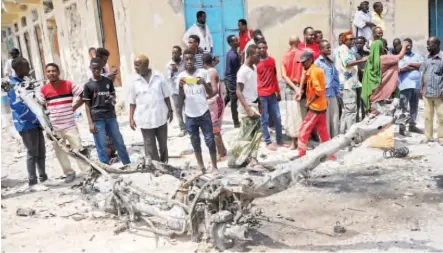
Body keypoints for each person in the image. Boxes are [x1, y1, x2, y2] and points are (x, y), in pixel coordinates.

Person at [38, 63, 89, 183]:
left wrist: (75, 107)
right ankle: (69, 173)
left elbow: (84, 95)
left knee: (78, 149)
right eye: (49, 71)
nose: (51, 73)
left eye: (54, 71)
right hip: (55, 128)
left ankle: (87, 172)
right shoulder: (44, 89)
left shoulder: (68, 85)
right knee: (60, 152)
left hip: (70, 125)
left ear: (58, 72)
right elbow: (41, 106)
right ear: (46, 73)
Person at [83, 57, 131, 166]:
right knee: (101, 145)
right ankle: (105, 167)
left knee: (119, 141)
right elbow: (87, 106)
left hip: (110, 117)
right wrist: (90, 123)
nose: (96, 70)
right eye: (94, 68)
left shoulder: (108, 81)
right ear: (90, 68)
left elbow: (114, 98)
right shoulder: (88, 86)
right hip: (97, 118)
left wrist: (112, 100)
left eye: (99, 68)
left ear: (102, 68)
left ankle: (127, 164)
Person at [8, 57, 47, 188]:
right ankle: (33, 181)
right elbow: (18, 107)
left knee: (41, 151)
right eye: (26, 66)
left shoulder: (26, 81)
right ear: (18, 69)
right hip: (26, 123)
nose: (28, 69)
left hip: (37, 121)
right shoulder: (11, 85)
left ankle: (43, 177)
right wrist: (36, 119)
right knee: (32, 152)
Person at [177, 49, 217, 172]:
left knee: (210, 140)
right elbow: (181, 97)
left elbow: (211, 93)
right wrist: (180, 87)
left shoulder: (203, 73)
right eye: (186, 59)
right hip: (189, 114)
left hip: (204, 112)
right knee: (195, 141)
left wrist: (204, 83)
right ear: (183, 61)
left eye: (191, 59)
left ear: (195, 60)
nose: (189, 61)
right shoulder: (181, 76)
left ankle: (214, 166)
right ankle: (201, 165)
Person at [129, 55, 173, 163]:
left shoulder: (159, 77)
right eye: (134, 66)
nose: (135, 68)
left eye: (138, 66)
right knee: (149, 144)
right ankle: (155, 166)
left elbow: (166, 95)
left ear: (146, 65)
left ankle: (164, 164)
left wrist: (170, 110)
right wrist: (131, 118)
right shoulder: (134, 81)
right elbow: (132, 102)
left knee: (163, 143)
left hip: (160, 116)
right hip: (145, 119)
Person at [229, 44, 264, 171]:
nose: (260, 57)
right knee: (250, 135)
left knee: (255, 134)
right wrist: (248, 109)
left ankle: (245, 158)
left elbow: (254, 87)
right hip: (247, 106)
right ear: (250, 55)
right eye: (257, 55)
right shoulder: (242, 71)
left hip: (253, 103)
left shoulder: (253, 68)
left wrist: (259, 101)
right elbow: (238, 91)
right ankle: (251, 160)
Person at [296, 51, 334, 159]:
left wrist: (309, 102)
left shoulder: (313, 72)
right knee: (323, 132)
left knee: (303, 130)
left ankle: (301, 154)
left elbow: (318, 91)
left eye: (304, 62)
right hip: (322, 106)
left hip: (316, 108)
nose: (302, 65)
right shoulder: (315, 70)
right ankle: (331, 155)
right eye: (301, 63)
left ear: (310, 60)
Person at [361, 40, 409, 114]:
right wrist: (404, 46)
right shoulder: (383, 58)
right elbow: (400, 56)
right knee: (381, 115)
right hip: (380, 90)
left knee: (373, 113)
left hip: (371, 90)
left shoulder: (369, 60)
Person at [335, 31, 367, 134]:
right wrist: (363, 60)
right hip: (347, 85)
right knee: (351, 112)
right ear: (344, 40)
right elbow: (348, 63)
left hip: (349, 84)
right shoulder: (343, 50)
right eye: (350, 39)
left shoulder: (348, 50)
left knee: (347, 112)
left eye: (353, 39)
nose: (353, 41)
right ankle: (350, 135)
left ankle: (344, 134)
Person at [256, 40, 284, 150]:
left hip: (272, 94)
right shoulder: (256, 63)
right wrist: (257, 97)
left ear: (267, 47)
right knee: (264, 119)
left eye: (264, 47)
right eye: (260, 48)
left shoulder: (272, 61)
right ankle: (267, 141)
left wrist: (278, 92)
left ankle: (279, 139)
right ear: (257, 49)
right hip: (262, 95)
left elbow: (274, 77)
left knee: (277, 117)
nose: (262, 49)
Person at [281, 36, 306, 149]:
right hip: (300, 87)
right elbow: (304, 72)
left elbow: (284, 75)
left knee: (291, 114)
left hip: (289, 88)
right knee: (301, 114)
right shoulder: (303, 54)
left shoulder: (284, 56)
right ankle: (302, 141)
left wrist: (294, 88)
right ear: (298, 42)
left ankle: (293, 142)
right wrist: (299, 88)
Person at [203, 54, 227, 160]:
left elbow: (215, 90)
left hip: (216, 104)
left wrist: (204, 98)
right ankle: (223, 150)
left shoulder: (211, 73)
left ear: (203, 63)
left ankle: (221, 154)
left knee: (215, 130)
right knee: (214, 130)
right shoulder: (211, 71)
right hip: (212, 104)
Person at [420, 37, 443, 145]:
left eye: (430, 44)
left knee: (441, 117)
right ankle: (428, 137)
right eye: (427, 44)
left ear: (437, 45)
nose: (427, 46)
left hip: (440, 93)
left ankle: (441, 137)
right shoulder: (426, 58)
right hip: (427, 93)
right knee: (427, 117)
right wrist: (421, 88)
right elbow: (423, 74)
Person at [398, 38, 424, 135]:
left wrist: (411, 65)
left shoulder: (417, 55)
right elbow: (400, 69)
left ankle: (412, 126)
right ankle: (402, 127)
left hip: (416, 85)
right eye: (406, 45)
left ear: (412, 45)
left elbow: (422, 65)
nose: (408, 47)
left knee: (414, 106)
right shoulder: (400, 57)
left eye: (409, 45)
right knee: (403, 107)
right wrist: (411, 67)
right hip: (405, 85)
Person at [315, 40, 340, 138]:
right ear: (321, 50)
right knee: (325, 120)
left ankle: (335, 140)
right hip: (324, 95)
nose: (329, 49)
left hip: (333, 93)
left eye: (330, 47)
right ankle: (326, 141)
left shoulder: (330, 61)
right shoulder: (318, 63)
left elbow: (335, 77)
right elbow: (316, 80)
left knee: (334, 118)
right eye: (327, 47)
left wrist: (337, 91)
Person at [167, 45, 186, 136]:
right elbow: (168, 79)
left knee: (188, 108)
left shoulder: (184, 62)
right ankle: (182, 128)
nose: (174, 54)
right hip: (175, 91)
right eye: (172, 52)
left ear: (180, 53)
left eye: (176, 52)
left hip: (186, 89)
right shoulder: (169, 65)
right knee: (178, 111)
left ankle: (190, 127)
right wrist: (172, 72)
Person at [224, 35, 241, 128]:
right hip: (232, 80)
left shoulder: (231, 53)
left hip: (228, 78)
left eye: (237, 40)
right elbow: (238, 69)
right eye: (235, 41)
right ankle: (236, 122)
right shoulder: (233, 55)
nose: (238, 41)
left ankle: (218, 113)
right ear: (231, 43)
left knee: (227, 98)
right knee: (234, 100)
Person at [353, 36, 370, 121]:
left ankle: (364, 119)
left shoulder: (368, 54)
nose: (358, 45)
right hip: (357, 80)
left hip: (366, 80)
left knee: (365, 101)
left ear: (364, 43)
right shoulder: (353, 54)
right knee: (357, 102)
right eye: (357, 43)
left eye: (360, 43)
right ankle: (356, 120)